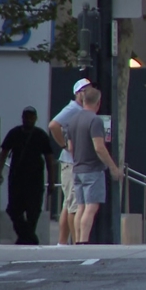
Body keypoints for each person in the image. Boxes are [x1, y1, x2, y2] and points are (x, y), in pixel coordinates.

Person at [66, 86, 123, 244]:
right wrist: (113, 167)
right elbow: (99, 147)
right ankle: (84, 241)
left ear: (83, 100)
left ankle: (77, 240)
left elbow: (70, 147)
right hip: (93, 170)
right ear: (98, 103)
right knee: (91, 207)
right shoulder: (95, 120)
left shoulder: (73, 120)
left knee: (81, 207)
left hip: (77, 169)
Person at [0, 106, 56, 245]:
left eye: (31, 117)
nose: (28, 120)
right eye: (26, 117)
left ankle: (25, 238)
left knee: (33, 212)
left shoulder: (41, 135)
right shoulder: (14, 133)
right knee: (13, 210)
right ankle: (29, 237)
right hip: (17, 179)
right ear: (22, 118)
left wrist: (51, 181)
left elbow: (49, 159)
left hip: (35, 180)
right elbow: (3, 154)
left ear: (35, 118)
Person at [49, 78, 90, 245]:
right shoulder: (73, 108)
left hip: (73, 161)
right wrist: (64, 144)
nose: (87, 92)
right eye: (84, 90)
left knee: (68, 204)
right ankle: (76, 243)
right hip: (70, 162)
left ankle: (62, 242)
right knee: (74, 205)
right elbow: (53, 125)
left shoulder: (82, 110)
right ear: (77, 93)